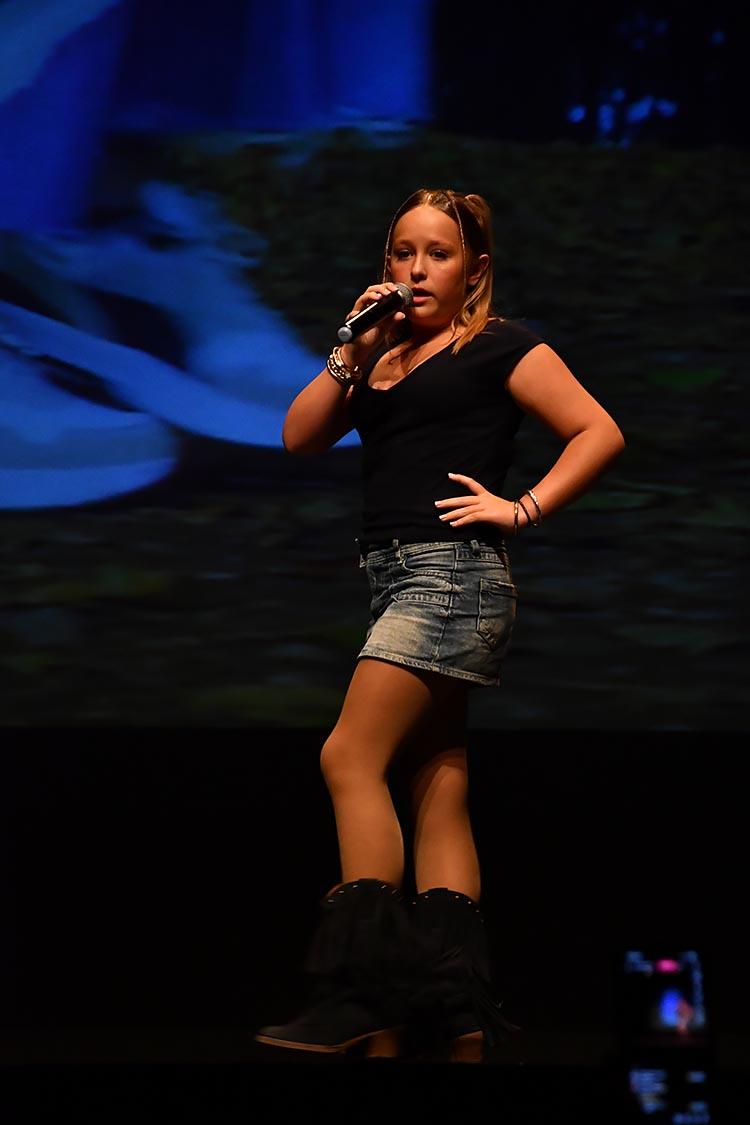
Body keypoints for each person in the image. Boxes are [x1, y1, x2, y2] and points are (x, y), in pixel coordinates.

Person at [253, 188, 625, 1063]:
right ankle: (453, 1001)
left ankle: (362, 990)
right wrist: (351, 349)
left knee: (349, 756)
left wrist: (521, 507)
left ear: (474, 269)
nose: (416, 270)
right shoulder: (380, 354)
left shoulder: (497, 345)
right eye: (402, 253)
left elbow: (598, 431)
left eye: (438, 254)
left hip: (450, 577)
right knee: (437, 778)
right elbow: (299, 437)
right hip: (395, 579)